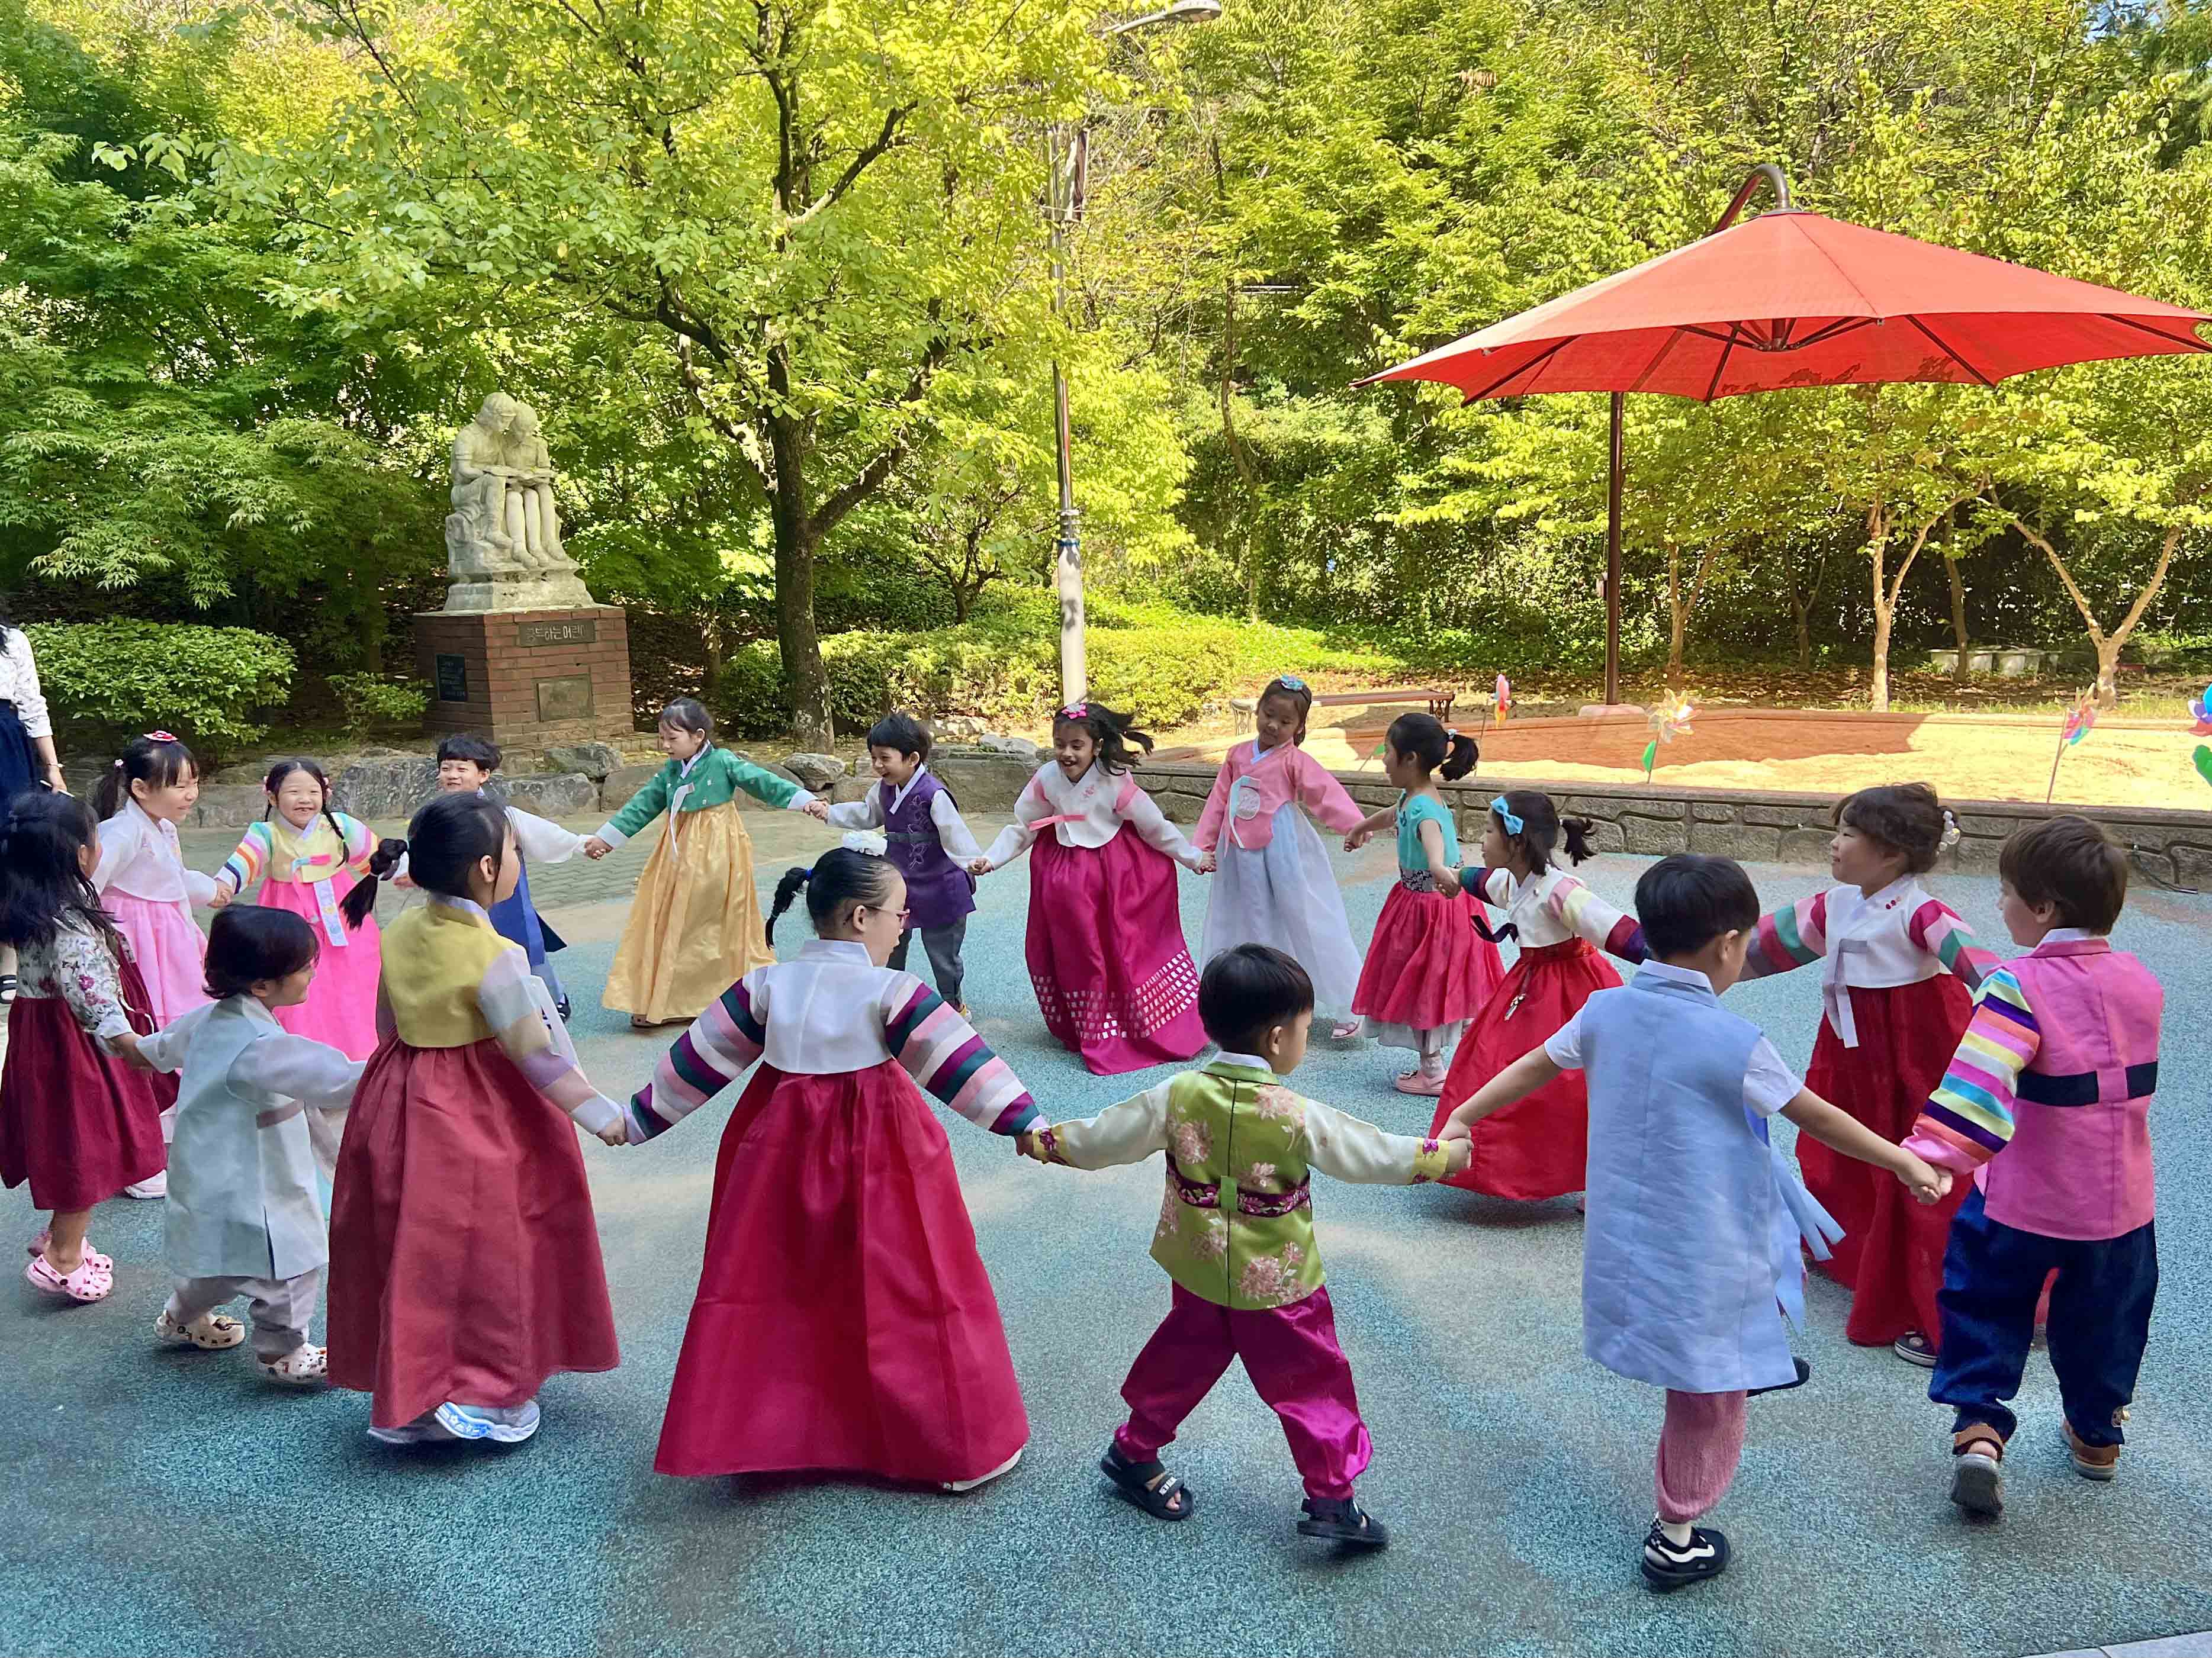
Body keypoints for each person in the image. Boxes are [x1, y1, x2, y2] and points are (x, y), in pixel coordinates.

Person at [1440, 854, 1949, 1591]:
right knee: (1702, 1390)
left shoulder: (1608, 1008)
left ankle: (1748, 1366)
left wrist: (1464, 1111)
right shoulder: (1733, 1041)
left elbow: (1534, 1065)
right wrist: (1901, 1160)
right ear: (1728, 945)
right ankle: (1675, 1535)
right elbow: (1818, 1116)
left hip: (1631, 1229)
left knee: (1718, 1325)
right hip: (1705, 1238)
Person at [1018, 944, 1468, 1546]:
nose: (1305, 1040)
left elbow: (1107, 1136)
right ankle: (1332, 1496)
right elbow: (1371, 1153)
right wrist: (1443, 1157)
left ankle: (1134, 1450)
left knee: (1185, 1353)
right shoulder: (1294, 1112)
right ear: (1279, 1038)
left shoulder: (1177, 1093)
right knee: (1310, 1376)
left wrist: (1049, 1141)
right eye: (1305, 1030)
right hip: (1278, 1280)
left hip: (1197, 1263)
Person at [626, 849, 1041, 1489]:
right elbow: (958, 1065)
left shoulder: (766, 984)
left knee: (776, 1280)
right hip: (881, 1145)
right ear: (859, 917)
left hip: (779, 1145)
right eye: (898, 912)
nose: (903, 923)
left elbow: (699, 1058)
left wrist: (638, 1119)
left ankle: (768, 1436)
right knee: (914, 1279)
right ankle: (950, 1443)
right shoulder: (891, 990)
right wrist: (1024, 1122)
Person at [326, 793, 627, 1447]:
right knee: (497, 1243)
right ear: (488, 867)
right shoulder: (495, 954)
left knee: (413, 1244)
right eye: (516, 849)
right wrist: (601, 1114)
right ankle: (491, 1389)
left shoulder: (400, 928)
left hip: (402, 1093)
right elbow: (537, 1055)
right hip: (481, 1107)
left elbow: (387, 1023)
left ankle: (414, 1385)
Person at [1904, 817, 2161, 1517]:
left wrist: (1929, 1157)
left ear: (2044, 907)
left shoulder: (2016, 984)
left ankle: (1980, 1429)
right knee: (2107, 1316)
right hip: (2121, 1202)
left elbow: (1979, 1082)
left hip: (2024, 1195)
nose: (2000, 905)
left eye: (2007, 891)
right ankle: (2096, 1435)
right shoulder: (2141, 979)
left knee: (1984, 1300)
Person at [1738, 783, 1998, 1366]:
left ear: (1892, 853)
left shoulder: (1922, 912)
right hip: (1852, 1052)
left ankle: (1944, 1306)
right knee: (1840, 1151)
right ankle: (1855, 1251)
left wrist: (2018, 1036)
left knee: (1925, 1166)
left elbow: (1986, 974)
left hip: (1914, 1056)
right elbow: (1759, 947)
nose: (1834, 843)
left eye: (1849, 833)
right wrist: (1692, 963)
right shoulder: (1834, 904)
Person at [120, 907, 362, 1386]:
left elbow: (160, 1047)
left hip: (210, 1173)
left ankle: (181, 1316)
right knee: (289, 1262)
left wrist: (125, 1043)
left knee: (217, 1261)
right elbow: (337, 1079)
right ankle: (284, 1352)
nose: (313, 969)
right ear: (262, 986)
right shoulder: (260, 1045)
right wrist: (402, 1064)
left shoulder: (210, 1018)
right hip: (260, 1180)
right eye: (303, 965)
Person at [970, 702, 1208, 1075]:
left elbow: (1154, 826)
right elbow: (1024, 827)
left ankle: (1131, 1022)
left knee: (1120, 948)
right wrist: (992, 859)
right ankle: (1087, 1023)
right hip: (1064, 880)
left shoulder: (1115, 780)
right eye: (1059, 744)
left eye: (1076, 745)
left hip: (1114, 878)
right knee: (1076, 952)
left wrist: (1191, 857)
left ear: (1096, 745)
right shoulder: (1046, 778)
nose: (1066, 753)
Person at [1432, 790, 1647, 1200]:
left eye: (1489, 830)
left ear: (1517, 841)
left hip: (1572, 989)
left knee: (1576, 1082)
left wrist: (1666, 955)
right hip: (1531, 982)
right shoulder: (1513, 879)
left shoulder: (1558, 891)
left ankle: (1596, 1177)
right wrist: (1454, 876)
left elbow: (1613, 929)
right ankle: (1504, 1164)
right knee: (1500, 1063)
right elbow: (1480, 880)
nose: (1481, 838)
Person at [0, 792, 169, 1302]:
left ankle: (59, 1234)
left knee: (64, 1139)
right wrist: (131, 1044)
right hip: (78, 1049)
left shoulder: (29, 905)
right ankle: (64, 1257)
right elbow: (89, 992)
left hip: (42, 1039)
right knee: (86, 1147)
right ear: (80, 853)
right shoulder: (68, 920)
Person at [582, 698, 831, 1029]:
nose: (665, 745)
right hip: (678, 850)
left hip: (717, 850)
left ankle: (714, 996)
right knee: (671, 917)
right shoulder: (671, 771)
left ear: (698, 736)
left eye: (672, 738)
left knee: (708, 918)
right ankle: (673, 999)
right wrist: (605, 840)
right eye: (662, 738)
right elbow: (641, 805)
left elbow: (762, 782)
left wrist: (805, 801)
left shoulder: (723, 761)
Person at [208, 759, 385, 1177]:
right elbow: (238, 869)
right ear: (272, 796)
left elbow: (376, 860)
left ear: (325, 791)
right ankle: (304, 1072)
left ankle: (358, 1069)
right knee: (300, 1000)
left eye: (311, 791)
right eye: (292, 792)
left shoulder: (341, 826)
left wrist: (403, 865)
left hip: (346, 924)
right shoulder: (265, 835)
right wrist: (216, 889)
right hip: (289, 927)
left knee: (352, 996)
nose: (304, 799)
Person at [1192, 677, 1369, 1041]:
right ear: (1258, 710)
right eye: (1268, 715)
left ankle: (1347, 1004)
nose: (1273, 725)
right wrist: (1203, 847)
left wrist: (1354, 826)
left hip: (1283, 849)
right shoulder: (1237, 755)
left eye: (1285, 722)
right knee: (1242, 918)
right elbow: (1218, 801)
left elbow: (1325, 794)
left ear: (1299, 727)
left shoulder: (1294, 760)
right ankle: (1247, 1001)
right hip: (1238, 852)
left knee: (1307, 916)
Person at [1342, 712, 1501, 1095]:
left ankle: (1433, 1071)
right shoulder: (1415, 796)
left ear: (1410, 758)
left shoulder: (1422, 807)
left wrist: (1436, 866)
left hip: (1429, 909)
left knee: (1424, 985)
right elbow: (1396, 816)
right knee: (1451, 981)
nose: (1383, 759)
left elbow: (1431, 840)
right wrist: (1363, 826)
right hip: (1442, 906)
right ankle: (1474, 1058)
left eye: (1388, 752)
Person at [92, 733, 217, 1195]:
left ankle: (167, 1138)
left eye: (194, 783)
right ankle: (142, 1154)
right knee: (145, 1037)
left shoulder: (161, 826)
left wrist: (206, 890)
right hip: (139, 948)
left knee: (180, 1026)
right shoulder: (119, 833)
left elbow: (172, 878)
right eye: (179, 785)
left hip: (170, 944)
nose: (191, 794)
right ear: (141, 788)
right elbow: (89, 888)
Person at [824, 712, 982, 1015]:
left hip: (940, 884)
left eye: (885, 758)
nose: (878, 765)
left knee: (943, 954)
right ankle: (890, 998)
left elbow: (954, 834)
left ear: (912, 758)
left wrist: (973, 862)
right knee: (891, 942)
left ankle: (953, 1003)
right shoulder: (884, 789)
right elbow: (867, 815)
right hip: (899, 881)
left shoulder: (933, 794)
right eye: (874, 758)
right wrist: (828, 813)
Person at [424, 734, 588, 1020]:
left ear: (483, 775)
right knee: (467, 951)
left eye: (462, 769)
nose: (452, 776)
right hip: (456, 894)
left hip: (503, 897)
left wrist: (581, 844)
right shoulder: (435, 815)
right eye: (447, 768)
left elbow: (546, 834)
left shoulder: (504, 815)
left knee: (524, 947)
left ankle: (550, 1000)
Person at [0, 596, 63, 1007]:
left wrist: (53, 767)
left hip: (5, 747)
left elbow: (32, 705)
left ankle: (7, 959)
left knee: (9, 848)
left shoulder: (12, 640)